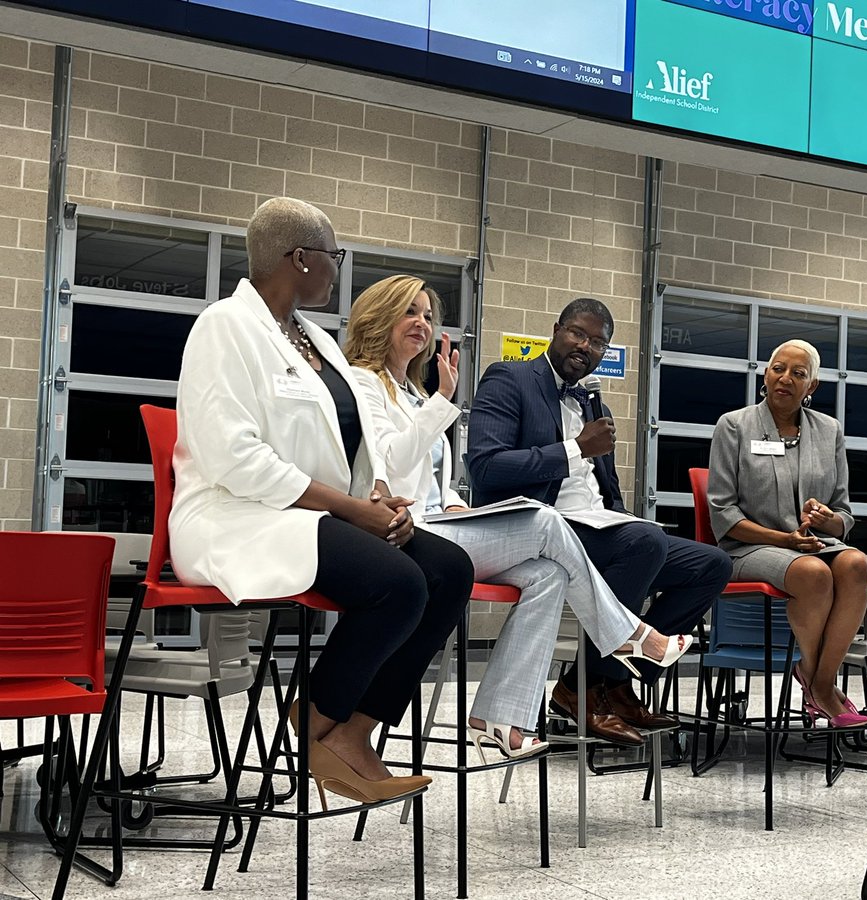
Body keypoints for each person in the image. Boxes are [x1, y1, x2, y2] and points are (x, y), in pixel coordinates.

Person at [170, 197, 474, 808]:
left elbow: (354, 446)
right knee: (399, 583)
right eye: (332, 257)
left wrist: (380, 497)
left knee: (447, 571)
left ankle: (355, 733)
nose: (337, 271)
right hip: (237, 516)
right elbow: (235, 457)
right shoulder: (225, 326)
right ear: (299, 257)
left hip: (313, 514)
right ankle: (310, 726)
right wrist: (350, 509)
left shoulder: (317, 342)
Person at [345, 276, 692, 752]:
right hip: (401, 531)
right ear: (378, 317)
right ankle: (626, 633)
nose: (422, 323)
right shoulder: (362, 385)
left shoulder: (414, 393)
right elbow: (395, 467)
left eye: (428, 315)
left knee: (549, 573)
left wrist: (452, 500)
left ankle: (500, 717)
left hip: (439, 523)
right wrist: (444, 403)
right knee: (544, 519)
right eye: (410, 312)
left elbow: (438, 478)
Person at [467, 298, 731, 738]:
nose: (585, 347)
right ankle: (590, 688)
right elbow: (486, 467)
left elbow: (606, 492)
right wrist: (576, 449)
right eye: (578, 334)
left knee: (711, 564)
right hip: (537, 528)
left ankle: (605, 681)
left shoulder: (595, 405)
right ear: (556, 330)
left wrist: (628, 518)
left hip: (598, 526)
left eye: (598, 344)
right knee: (642, 545)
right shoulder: (509, 378)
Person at [707, 339, 867, 728]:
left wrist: (827, 518)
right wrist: (784, 540)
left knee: (856, 564)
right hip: (746, 548)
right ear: (766, 374)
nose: (785, 378)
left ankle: (818, 681)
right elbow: (723, 514)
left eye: (798, 374)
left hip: (814, 544)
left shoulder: (829, 431)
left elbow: (844, 515)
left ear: (811, 386)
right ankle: (823, 689)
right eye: (778, 369)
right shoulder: (734, 425)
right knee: (812, 573)